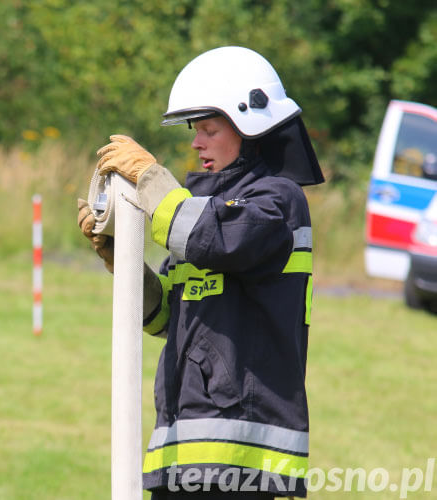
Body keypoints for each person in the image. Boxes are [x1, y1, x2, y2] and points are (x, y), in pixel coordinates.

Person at [78, 46, 325, 499]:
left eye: (209, 129)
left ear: (251, 130)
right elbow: (166, 319)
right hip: (185, 451)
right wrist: (121, 255)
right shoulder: (207, 215)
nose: (196, 143)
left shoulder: (277, 203)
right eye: (196, 130)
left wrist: (150, 179)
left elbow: (214, 237)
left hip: (241, 462)